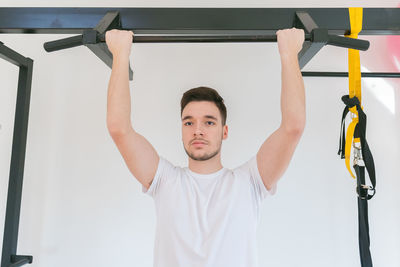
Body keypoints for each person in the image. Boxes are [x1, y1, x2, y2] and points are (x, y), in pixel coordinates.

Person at [105, 28, 306, 267]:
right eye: (189, 122)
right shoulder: (165, 180)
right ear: (181, 130)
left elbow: (293, 127)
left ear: (224, 131)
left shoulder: (249, 181)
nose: (197, 130)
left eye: (209, 122)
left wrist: (289, 53)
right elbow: (119, 128)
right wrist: (120, 54)